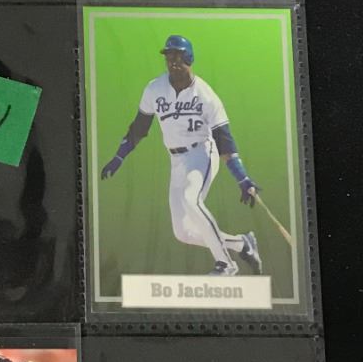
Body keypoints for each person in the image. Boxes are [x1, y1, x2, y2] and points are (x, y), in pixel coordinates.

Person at [100, 33, 262, 279]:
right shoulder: (155, 89)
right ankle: (242, 244)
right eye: (169, 56)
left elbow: (225, 144)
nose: (173, 61)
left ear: (190, 58)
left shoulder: (205, 95)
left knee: (191, 199)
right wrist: (118, 157)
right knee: (183, 232)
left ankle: (225, 263)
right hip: (176, 161)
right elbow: (139, 129)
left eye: (178, 56)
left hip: (201, 153)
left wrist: (243, 179)